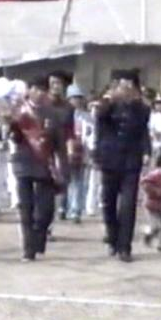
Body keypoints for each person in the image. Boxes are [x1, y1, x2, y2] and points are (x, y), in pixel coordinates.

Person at [8, 76, 67, 262]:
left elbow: (60, 144)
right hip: (23, 163)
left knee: (45, 211)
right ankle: (28, 249)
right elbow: (12, 137)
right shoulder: (19, 111)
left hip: (45, 164)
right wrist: (11, 126)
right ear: (29, 91)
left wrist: (63, 169)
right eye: (36, 89)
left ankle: (39, 238)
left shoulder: (53, 114)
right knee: (26, 208)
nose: (40, 93)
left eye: (43, 89)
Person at [95, 70, 151, 263]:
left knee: (128, 205)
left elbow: (143, 132)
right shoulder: (106, 105)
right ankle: (112, 237)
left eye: (130, 86)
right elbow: (100, 118)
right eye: (122, 85)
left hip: (130, 160)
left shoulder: (141, 109)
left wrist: (146, 151)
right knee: (108, 202)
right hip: (109, 159)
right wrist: (111, 99)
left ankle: (125, 246)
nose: (126, 90)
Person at [46, 70, 75, 222]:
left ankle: (54, 216)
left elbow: (70, 130)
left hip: (61, 150)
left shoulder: (68, 107)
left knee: (60, 183)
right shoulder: (42, 104)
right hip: (43, 150)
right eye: (53, 83)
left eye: (59, 83)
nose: (56, 86)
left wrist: (70, 149)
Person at [65, 84, 94, 223]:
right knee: (66, 181)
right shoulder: (64, 114)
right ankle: (65, 207)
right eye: (74, 98)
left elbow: (93, 133)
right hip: (66, 150)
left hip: (82, 151)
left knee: (80, 180)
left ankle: (76, 210)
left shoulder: (87, 117)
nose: (76, 100)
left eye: (78, 98)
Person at [141, 149, 161, 252]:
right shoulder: (156, 174)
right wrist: (156, 191)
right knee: (155, 226)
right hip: (152, 205)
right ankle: (148, 235)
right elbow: (145, 183)